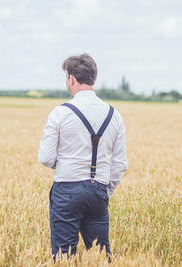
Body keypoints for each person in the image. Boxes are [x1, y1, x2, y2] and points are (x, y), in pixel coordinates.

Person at [38, 53, 127, 262]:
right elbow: (121, 163)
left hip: (66, 190)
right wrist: (105, 190)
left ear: (71, 78)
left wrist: (67, 165)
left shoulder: (60, 113)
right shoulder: (114, 114)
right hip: (98, 190)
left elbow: (45, 157)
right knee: (101, 257)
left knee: (63, 257)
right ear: (93, 78)